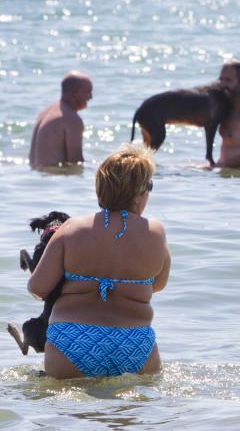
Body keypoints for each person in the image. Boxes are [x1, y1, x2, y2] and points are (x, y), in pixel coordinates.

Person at [27, 143, 170, 378]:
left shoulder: (71, 229)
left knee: (68, 409)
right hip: (134, 344)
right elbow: (158, 284)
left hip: (72, 343)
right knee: (130, 411)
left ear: (99, 190)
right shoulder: (156, 233)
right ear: (139, 193)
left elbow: (37, 288)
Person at [29, 72, 92, 168]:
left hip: (37, 177)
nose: (90, 97)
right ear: (74, 92)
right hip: (55, 179)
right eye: (88, 92)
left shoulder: (45, 112)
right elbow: (75, 163)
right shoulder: (71, 119)